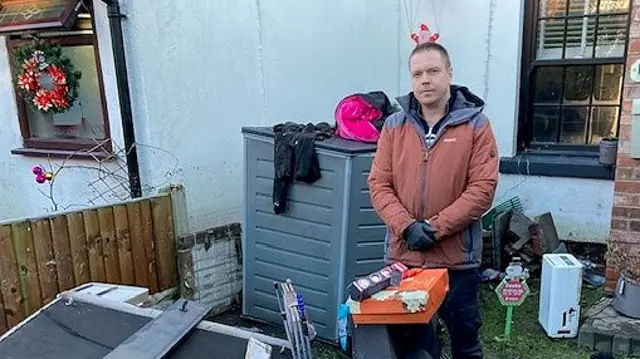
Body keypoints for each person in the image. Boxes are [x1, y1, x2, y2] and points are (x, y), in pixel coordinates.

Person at [367, 41, 499, 359]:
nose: (425, 80)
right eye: (417, 74)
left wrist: (434, 228)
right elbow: (379, 184)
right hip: (405, 260)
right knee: (413, 348)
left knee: (465, 345)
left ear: (449, 73)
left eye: (433, 71)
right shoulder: (394, 127)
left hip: (457, 262)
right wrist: (407, 227)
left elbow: (482, 189)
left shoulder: (476, 126)